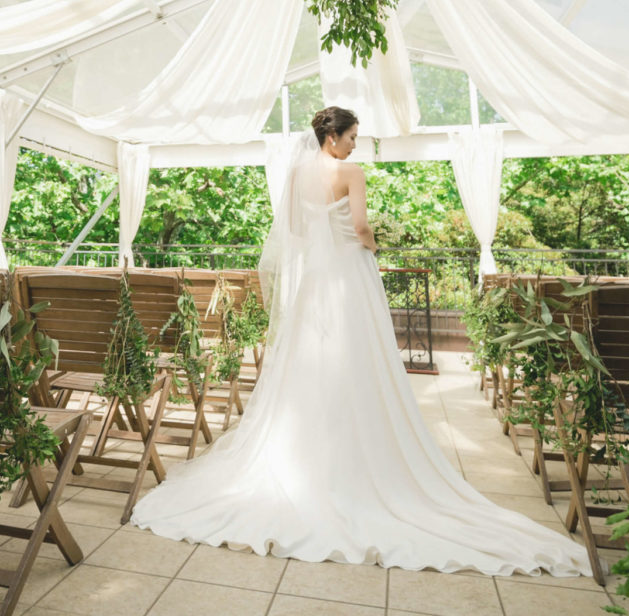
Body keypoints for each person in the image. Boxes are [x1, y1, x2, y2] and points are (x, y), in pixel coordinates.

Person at [129, 105, 592, 577]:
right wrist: (369, 245)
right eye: (352, 135)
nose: (355, 143)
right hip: (349, 275)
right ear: (333, 137)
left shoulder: (295, 175)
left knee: (309, 361)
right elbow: (363, 226)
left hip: (316, 280)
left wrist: (324, 238)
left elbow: (291, 230)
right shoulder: (351, 172)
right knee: (357, 357)